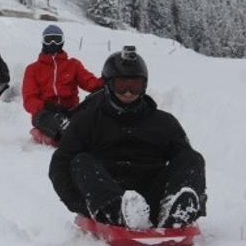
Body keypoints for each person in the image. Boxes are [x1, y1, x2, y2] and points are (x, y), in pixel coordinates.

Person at [48, 46, 207, 229]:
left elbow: (186, 162)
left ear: (144, 86)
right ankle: (119, 213)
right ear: (108, 85)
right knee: (80, 161)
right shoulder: (86, 121)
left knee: (191, 158)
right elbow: (60, 165)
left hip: (152, 195)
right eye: (122, 86)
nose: (128, 93)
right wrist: (82, 206)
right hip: (107, 195)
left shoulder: (164, 122)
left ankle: (176, 211)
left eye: (135, 86)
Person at [22, 24, 103, 142]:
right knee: (49, 120)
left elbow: (91, 83)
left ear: (62, 41)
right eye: (49, 40)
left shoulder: (73, 64)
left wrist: (107, 80)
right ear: (43, 42)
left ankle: (86, 130)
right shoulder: (33, 69)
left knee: (100, 95)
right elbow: (29, 99)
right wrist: (46, 106)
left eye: (57, 39)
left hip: (70, 110)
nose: (53, 43)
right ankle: (66, 135)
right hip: (46, 113)